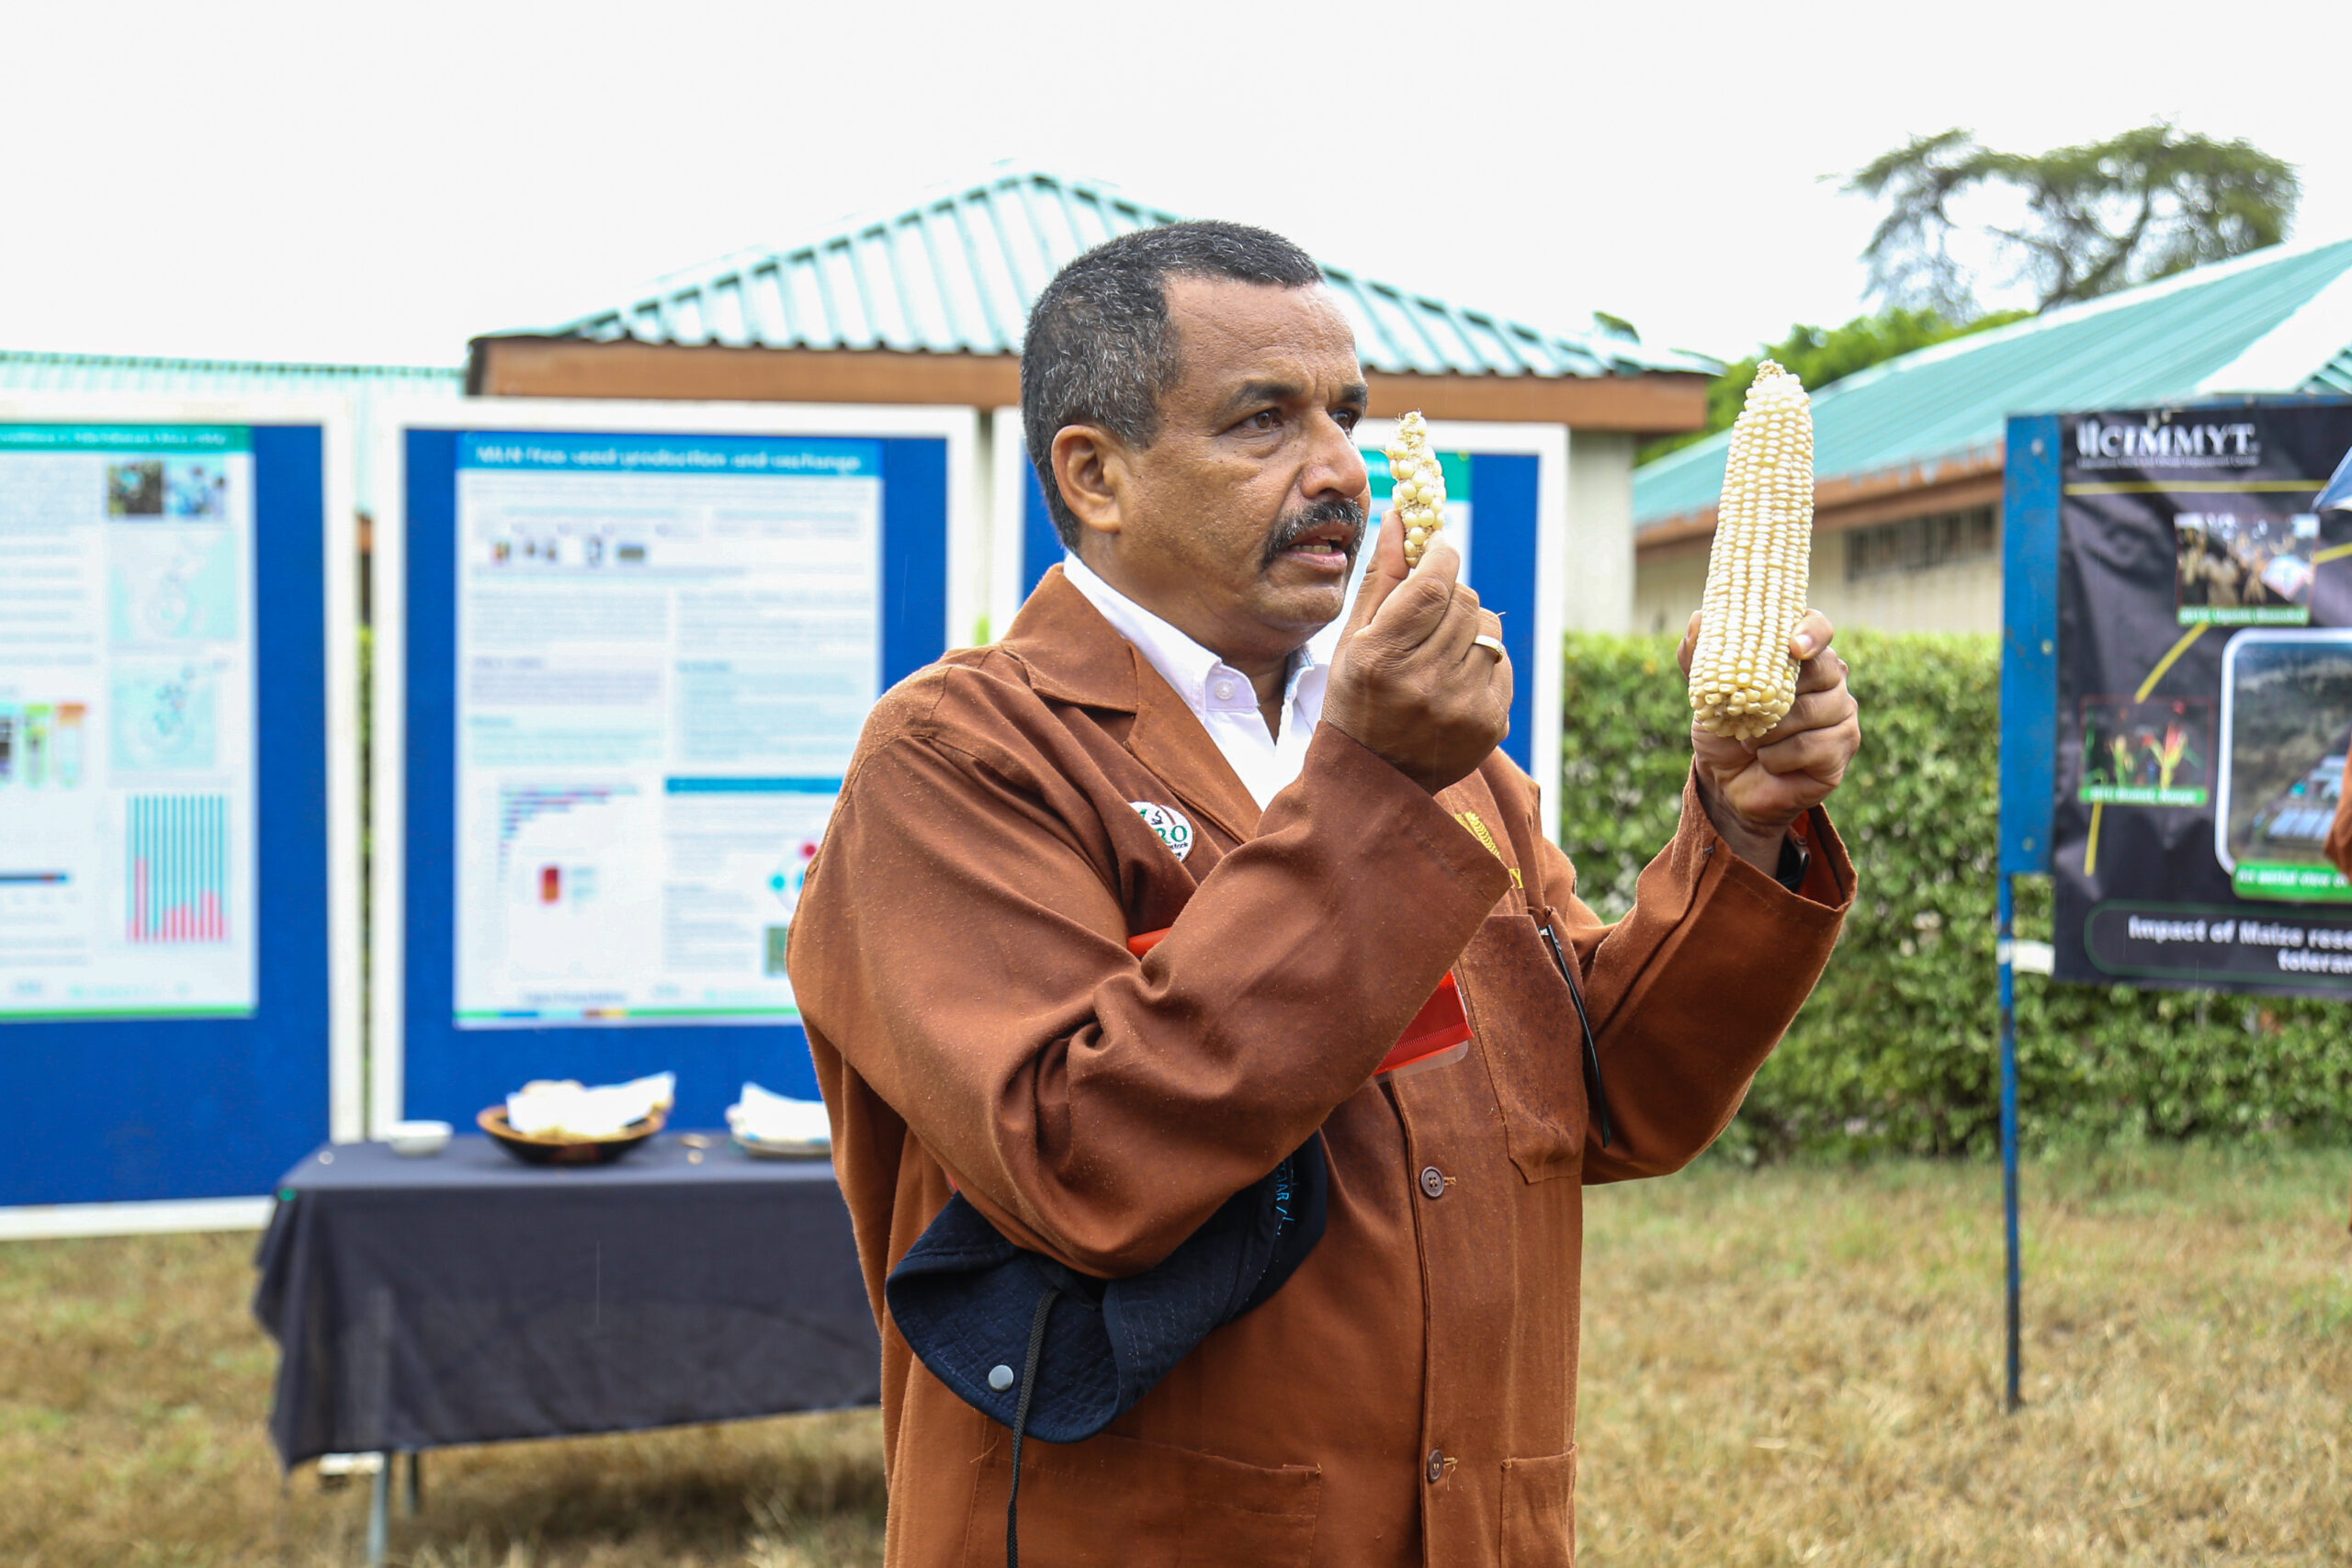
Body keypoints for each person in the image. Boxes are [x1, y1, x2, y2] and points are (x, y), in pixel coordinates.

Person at [788, 220, 1862, 1565]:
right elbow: (1075, 1159)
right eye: (1264, 422)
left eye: (1346, 417)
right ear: (1097, 474)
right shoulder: (961, 755)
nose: (1342, 472)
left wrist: (1744, 828)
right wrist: (1373, 786)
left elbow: (1613, 1096)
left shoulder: (1444, 767)